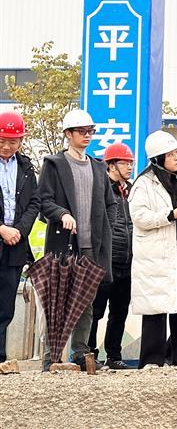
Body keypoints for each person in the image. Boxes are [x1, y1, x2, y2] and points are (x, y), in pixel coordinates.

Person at [37, 108, 117, 371]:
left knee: (86, 303)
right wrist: (62, 214)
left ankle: (81, 353)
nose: (87, 135)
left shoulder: (98, 166)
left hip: (91, 247)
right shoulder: (54, 164)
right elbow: (43, 200)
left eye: (90, 131)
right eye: (82, 131)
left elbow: (110, 203)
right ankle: (51, 358)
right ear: (68, 134)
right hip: (63, 245)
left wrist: (106, 227)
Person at [129, 130, 177, 368]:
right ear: (157, 159)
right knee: (155, 307)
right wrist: (171, 215)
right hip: (156, 254)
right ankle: (151, 359)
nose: (176, 157)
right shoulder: (144, 183)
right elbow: (139, 216)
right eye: (170, 154)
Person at [87, 142, 134, 369]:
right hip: (106, 259)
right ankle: (89, 354)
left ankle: (114, 355)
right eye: (125, 163)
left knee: (120, 311)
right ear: (111, 165)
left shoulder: (132, 191)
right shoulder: (100, 188)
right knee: (95, 310)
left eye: (131, 163)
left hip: (128, 260)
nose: (129, 167)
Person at [0, 111, 40, 363]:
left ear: (21, 141)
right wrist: (1, 229)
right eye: (2, 140)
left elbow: (34, 202)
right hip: (2, 233)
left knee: (6, 305)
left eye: (12, 141)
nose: (7, 146)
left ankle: (0, 356)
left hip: (15, 244)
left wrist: (19, 230)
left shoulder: (26, 167)